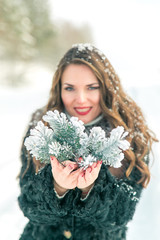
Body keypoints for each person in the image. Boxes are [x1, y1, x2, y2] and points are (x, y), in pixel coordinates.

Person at [18, 43, 157, 240]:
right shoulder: (42, 125)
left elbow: (120, 215)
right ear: (59, 90)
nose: (81, 99)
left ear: (107, 88)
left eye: (92, 87)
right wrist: (57, 187)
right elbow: (29, 205)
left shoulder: (128, 131)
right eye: (70, 88)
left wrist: (90, 188)